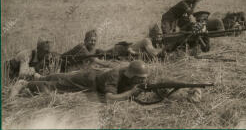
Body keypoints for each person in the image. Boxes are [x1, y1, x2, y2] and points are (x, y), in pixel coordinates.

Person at [9, 60, 148, 102]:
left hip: (93, 75)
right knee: (58, 86)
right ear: (133, 75)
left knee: (62, 77)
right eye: (140, 78)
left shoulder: (130, 73)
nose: (142, 81)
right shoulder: (115, 75)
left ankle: (38, 76)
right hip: (88, 80)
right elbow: (109, 98)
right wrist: (131, 93)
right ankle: (24, 84)